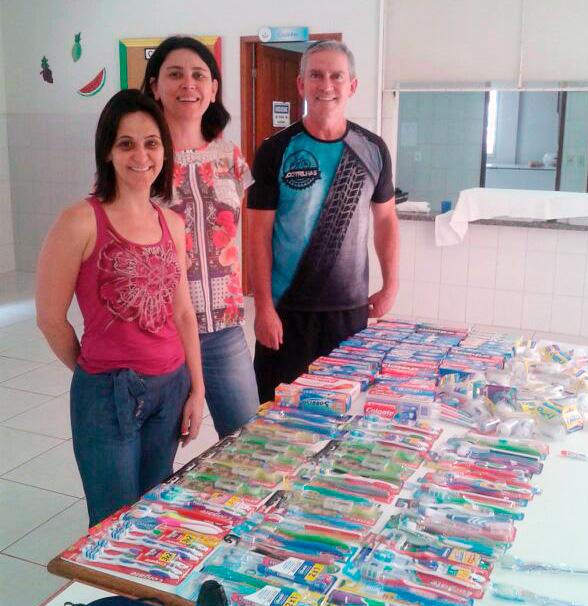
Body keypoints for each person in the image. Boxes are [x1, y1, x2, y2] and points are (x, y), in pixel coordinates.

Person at [36, 89, 204, 527]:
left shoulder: (172, 222)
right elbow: (50, 318)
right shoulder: (79, 221)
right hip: (108, 396)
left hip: (171, 387)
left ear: (164, 151)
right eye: (126, 143)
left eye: (151, 143)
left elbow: (183, 314)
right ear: (107, 152)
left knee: (151, 515)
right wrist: (95, 372)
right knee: (113, 524)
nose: (141, 156)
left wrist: (197, 389)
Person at [247, 40, 400, 403]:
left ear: (352, 85)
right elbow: (257, 235)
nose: (326, 85)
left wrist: (391, 285)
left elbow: (386, 221)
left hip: (349, 313)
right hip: (287, 313)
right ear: (301, 84)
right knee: (276, 416)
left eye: (336, 76)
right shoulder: (275, 150)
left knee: (343, 414)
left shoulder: (373, 149)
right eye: (316, 75)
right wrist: (263, 307)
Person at [142, 36, 259, 437]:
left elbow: (238, 227)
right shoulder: (142, 159)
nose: (188, 84)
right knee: (159, 452)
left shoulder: (230, 156)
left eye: (198, 75)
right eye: (175, 74)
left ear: (213, 88)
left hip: (224, 328)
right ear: (155, 86)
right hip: (162, 329)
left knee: (246, 443)